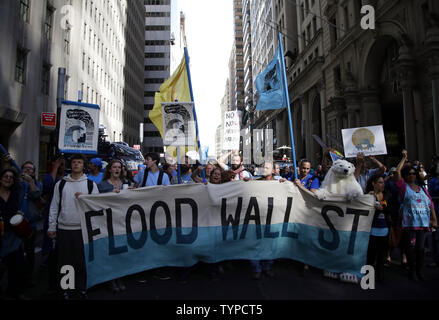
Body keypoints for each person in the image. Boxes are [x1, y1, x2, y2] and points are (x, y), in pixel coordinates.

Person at [47, 154, 99, 299]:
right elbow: (54, 206)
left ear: (84, 165)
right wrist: (52, 226)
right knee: (65, 262)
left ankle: (81, 288)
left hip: (82, 229)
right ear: (71, 165)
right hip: (64, 228)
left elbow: (95, 208)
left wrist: (84, 199)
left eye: (79, 162)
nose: (76, 164)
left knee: (82, 261)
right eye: (74, 162)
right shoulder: (61, 184)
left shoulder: (90, 185)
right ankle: (66, 289)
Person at [394, 150, 437, 281]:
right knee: (410, 249)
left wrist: (434, 219)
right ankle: (412, 270)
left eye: (414, 173)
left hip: (423, 223)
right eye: (409, 174)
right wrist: (404, 158)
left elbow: (430, 205)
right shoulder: (403, 188)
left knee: (420, 249)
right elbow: (397, 172)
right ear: (406, 176)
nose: (412, 176)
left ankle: (419, 269)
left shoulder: (423, 189)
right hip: (409, 224)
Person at [98, 159, 127, 292]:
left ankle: (119, 276)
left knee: (121, 250)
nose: (117, 169)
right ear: (109, 169)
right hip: (107, 221)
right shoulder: (103, 185)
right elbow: (97, 202)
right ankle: (110, 279)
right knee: (109, 250)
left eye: (119, 167)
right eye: (114, 167)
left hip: (122, 221)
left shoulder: (125, 184)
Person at [0, 168, 28, 299]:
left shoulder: (16, 193)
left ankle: (15, 292)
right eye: (5, 176)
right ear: (1, 179)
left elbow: (26, 183)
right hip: (1, 235)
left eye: (11, 177)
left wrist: (20, 213)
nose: (8, 179)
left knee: (16, 266)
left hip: (13, 235)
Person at [40, 157, 66, 294]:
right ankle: (51, 282)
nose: (62, 166)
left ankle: (66, 284)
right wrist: (55, 168)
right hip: (51, 216)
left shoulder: (67, 179)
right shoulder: (49, 178)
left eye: (63, 165)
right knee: (51, 248)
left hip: (65, 219)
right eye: (59, 164)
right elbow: (49, 187)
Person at [249, 161, 278, 280]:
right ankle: (256, 268)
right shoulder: (254, 182)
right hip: (256, 218)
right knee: (254, 244)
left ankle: (267, 266)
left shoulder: (279, 183)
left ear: (273, 171)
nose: (264, 169)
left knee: (271, 244)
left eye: (267, 168)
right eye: (263, 167)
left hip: (273, 219)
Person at [19, 161, 43, 287]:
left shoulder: (38, 183)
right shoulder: (17, 183)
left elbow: (36, 194)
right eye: (25, 168)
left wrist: (31, 182)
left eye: (31, 169)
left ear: (34, 172)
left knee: (29, 250)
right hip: (16, 221)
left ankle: (29, 277)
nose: (28, 171)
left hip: (31, 222)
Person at [365, 174, 392, 283]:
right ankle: (368, 277)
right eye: (380, 182)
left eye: (383, 182)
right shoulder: (368, 195)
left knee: (382, 256)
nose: (382, 184)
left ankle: (380, 276)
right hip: (372, 230)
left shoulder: (387, 195)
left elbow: (391, 209)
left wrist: (382, 208)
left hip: (384, 230)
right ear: (373, 184)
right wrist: (371, 200)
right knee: (371, 255)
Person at [428, 161, 439, 267]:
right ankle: (436, 259)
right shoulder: (433, 181)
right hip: (436, 211)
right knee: (436, 236)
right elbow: (429, 198)